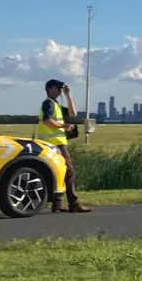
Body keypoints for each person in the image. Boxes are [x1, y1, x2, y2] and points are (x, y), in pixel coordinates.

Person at [34, 78, 91, 213]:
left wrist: (68, 95)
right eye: (58, 88)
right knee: (69, 172)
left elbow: (73, 113)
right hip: (55, 144)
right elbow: (47, 121)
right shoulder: (48, 103)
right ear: (49, 89)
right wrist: (64, 126)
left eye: (61, 88)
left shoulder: (55, 104)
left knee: (59, 172)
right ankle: (73, 203)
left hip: (52, 143)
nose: (60, 90)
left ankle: (58, 203)